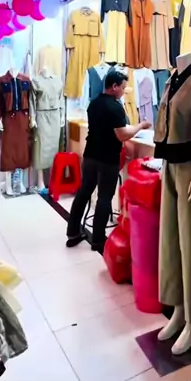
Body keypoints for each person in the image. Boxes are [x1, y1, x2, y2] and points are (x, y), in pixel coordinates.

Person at [66, 69, 151, 252]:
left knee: (83, 193)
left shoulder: (94, 104)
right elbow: (122, 134)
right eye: (123, 88)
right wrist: (141, 125)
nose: (124, 91)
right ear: (114, 87)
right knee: (104, 198)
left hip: (90, 156)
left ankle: (72, 233)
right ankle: (98, 240)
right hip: (107, 159)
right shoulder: (115, 107)